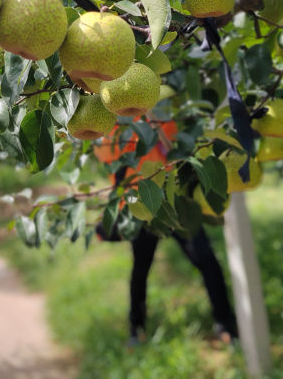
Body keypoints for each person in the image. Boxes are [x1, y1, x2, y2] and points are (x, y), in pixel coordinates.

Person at [94, 121, 238, 346]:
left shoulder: (162, 114)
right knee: (141, 269)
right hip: (141, 207)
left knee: (206, 260)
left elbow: (181, 150)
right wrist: (132, 207)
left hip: (175, 202)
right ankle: (136, 328)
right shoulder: (110, 130)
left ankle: (226, 324)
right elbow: (118, 182)